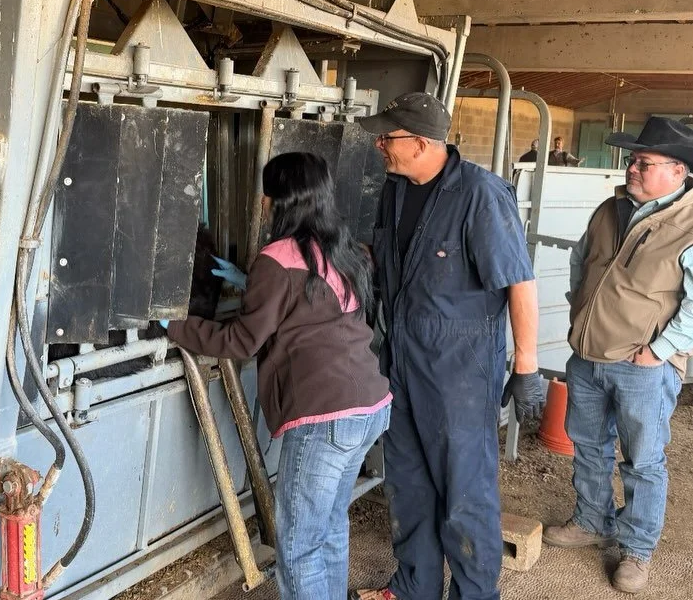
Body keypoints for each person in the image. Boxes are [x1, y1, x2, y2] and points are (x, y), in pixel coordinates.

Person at [164, 152, 392, 600]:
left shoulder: (277, 257)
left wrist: (173, 325)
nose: (263, 204)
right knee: (328, 527)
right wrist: (252, 281)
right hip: (370, 406)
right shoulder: (341, 248)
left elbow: (240, 342)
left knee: (298, 544)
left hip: (324, 416)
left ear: (281, 202)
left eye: (267, 195)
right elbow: (310, 301)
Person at [352, 92, 544, 600]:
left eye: (387, 137)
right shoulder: (395, 190)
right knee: (409, 485)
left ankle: (475, 594)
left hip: (458, 372)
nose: (379, 145)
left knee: (465, 495)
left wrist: (526, 364)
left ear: (419, 142)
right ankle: (413, 587)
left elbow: (518, 282)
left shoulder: (480, 194)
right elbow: (388, 263)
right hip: (403, 361)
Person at [542, 116, 693, 594]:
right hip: (587, 356)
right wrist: (579, 313)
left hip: (642, 366)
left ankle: (637, 548)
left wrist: (661, 350)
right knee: (588, 445)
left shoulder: (688, 223)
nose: (632, 168)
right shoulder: (611, 209)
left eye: (644, 162)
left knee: (643, 461)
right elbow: (580, 260)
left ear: (679, 170)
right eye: (632, 160)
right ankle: (592, 520)